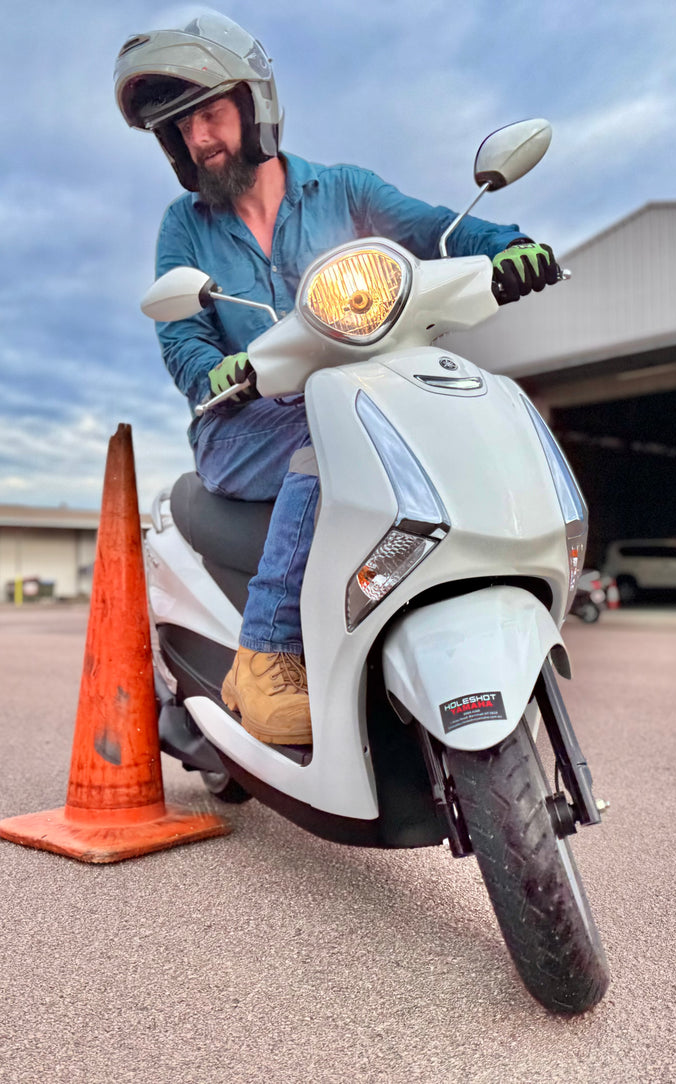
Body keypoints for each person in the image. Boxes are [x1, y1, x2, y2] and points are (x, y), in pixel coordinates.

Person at [115, 12, 560, 746]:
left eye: (209, 113)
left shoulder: (343, 190)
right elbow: (181, 337)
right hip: (242, 425)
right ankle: (265, 658)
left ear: (254, 106)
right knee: (331, 435)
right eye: (180, 129)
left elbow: (440, 231)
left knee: (439, 409)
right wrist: (218, 371)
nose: (198, 138)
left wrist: (510, 249)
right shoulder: (183, 225)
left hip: (358, 392)